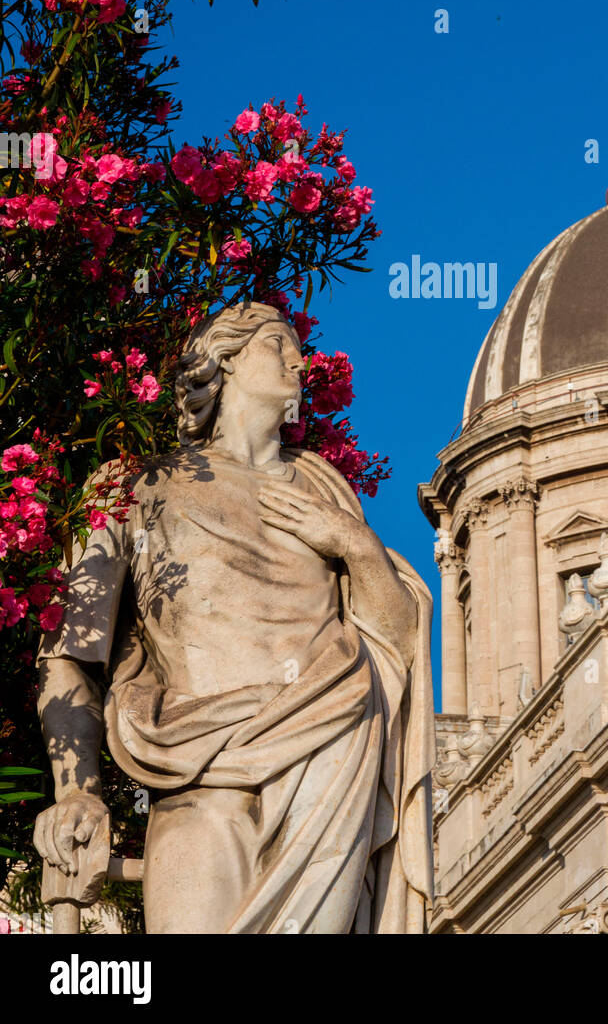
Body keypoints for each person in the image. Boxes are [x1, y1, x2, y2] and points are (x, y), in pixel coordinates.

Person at [34, 301, 434, 934]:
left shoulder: (325, 492)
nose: (299, 360)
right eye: (278, 343)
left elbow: (399, 638)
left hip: (329, 761)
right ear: (222, 360)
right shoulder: (135, 487)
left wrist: (355, 544)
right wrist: (76, 789)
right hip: (197, 772)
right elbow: (70, 655)